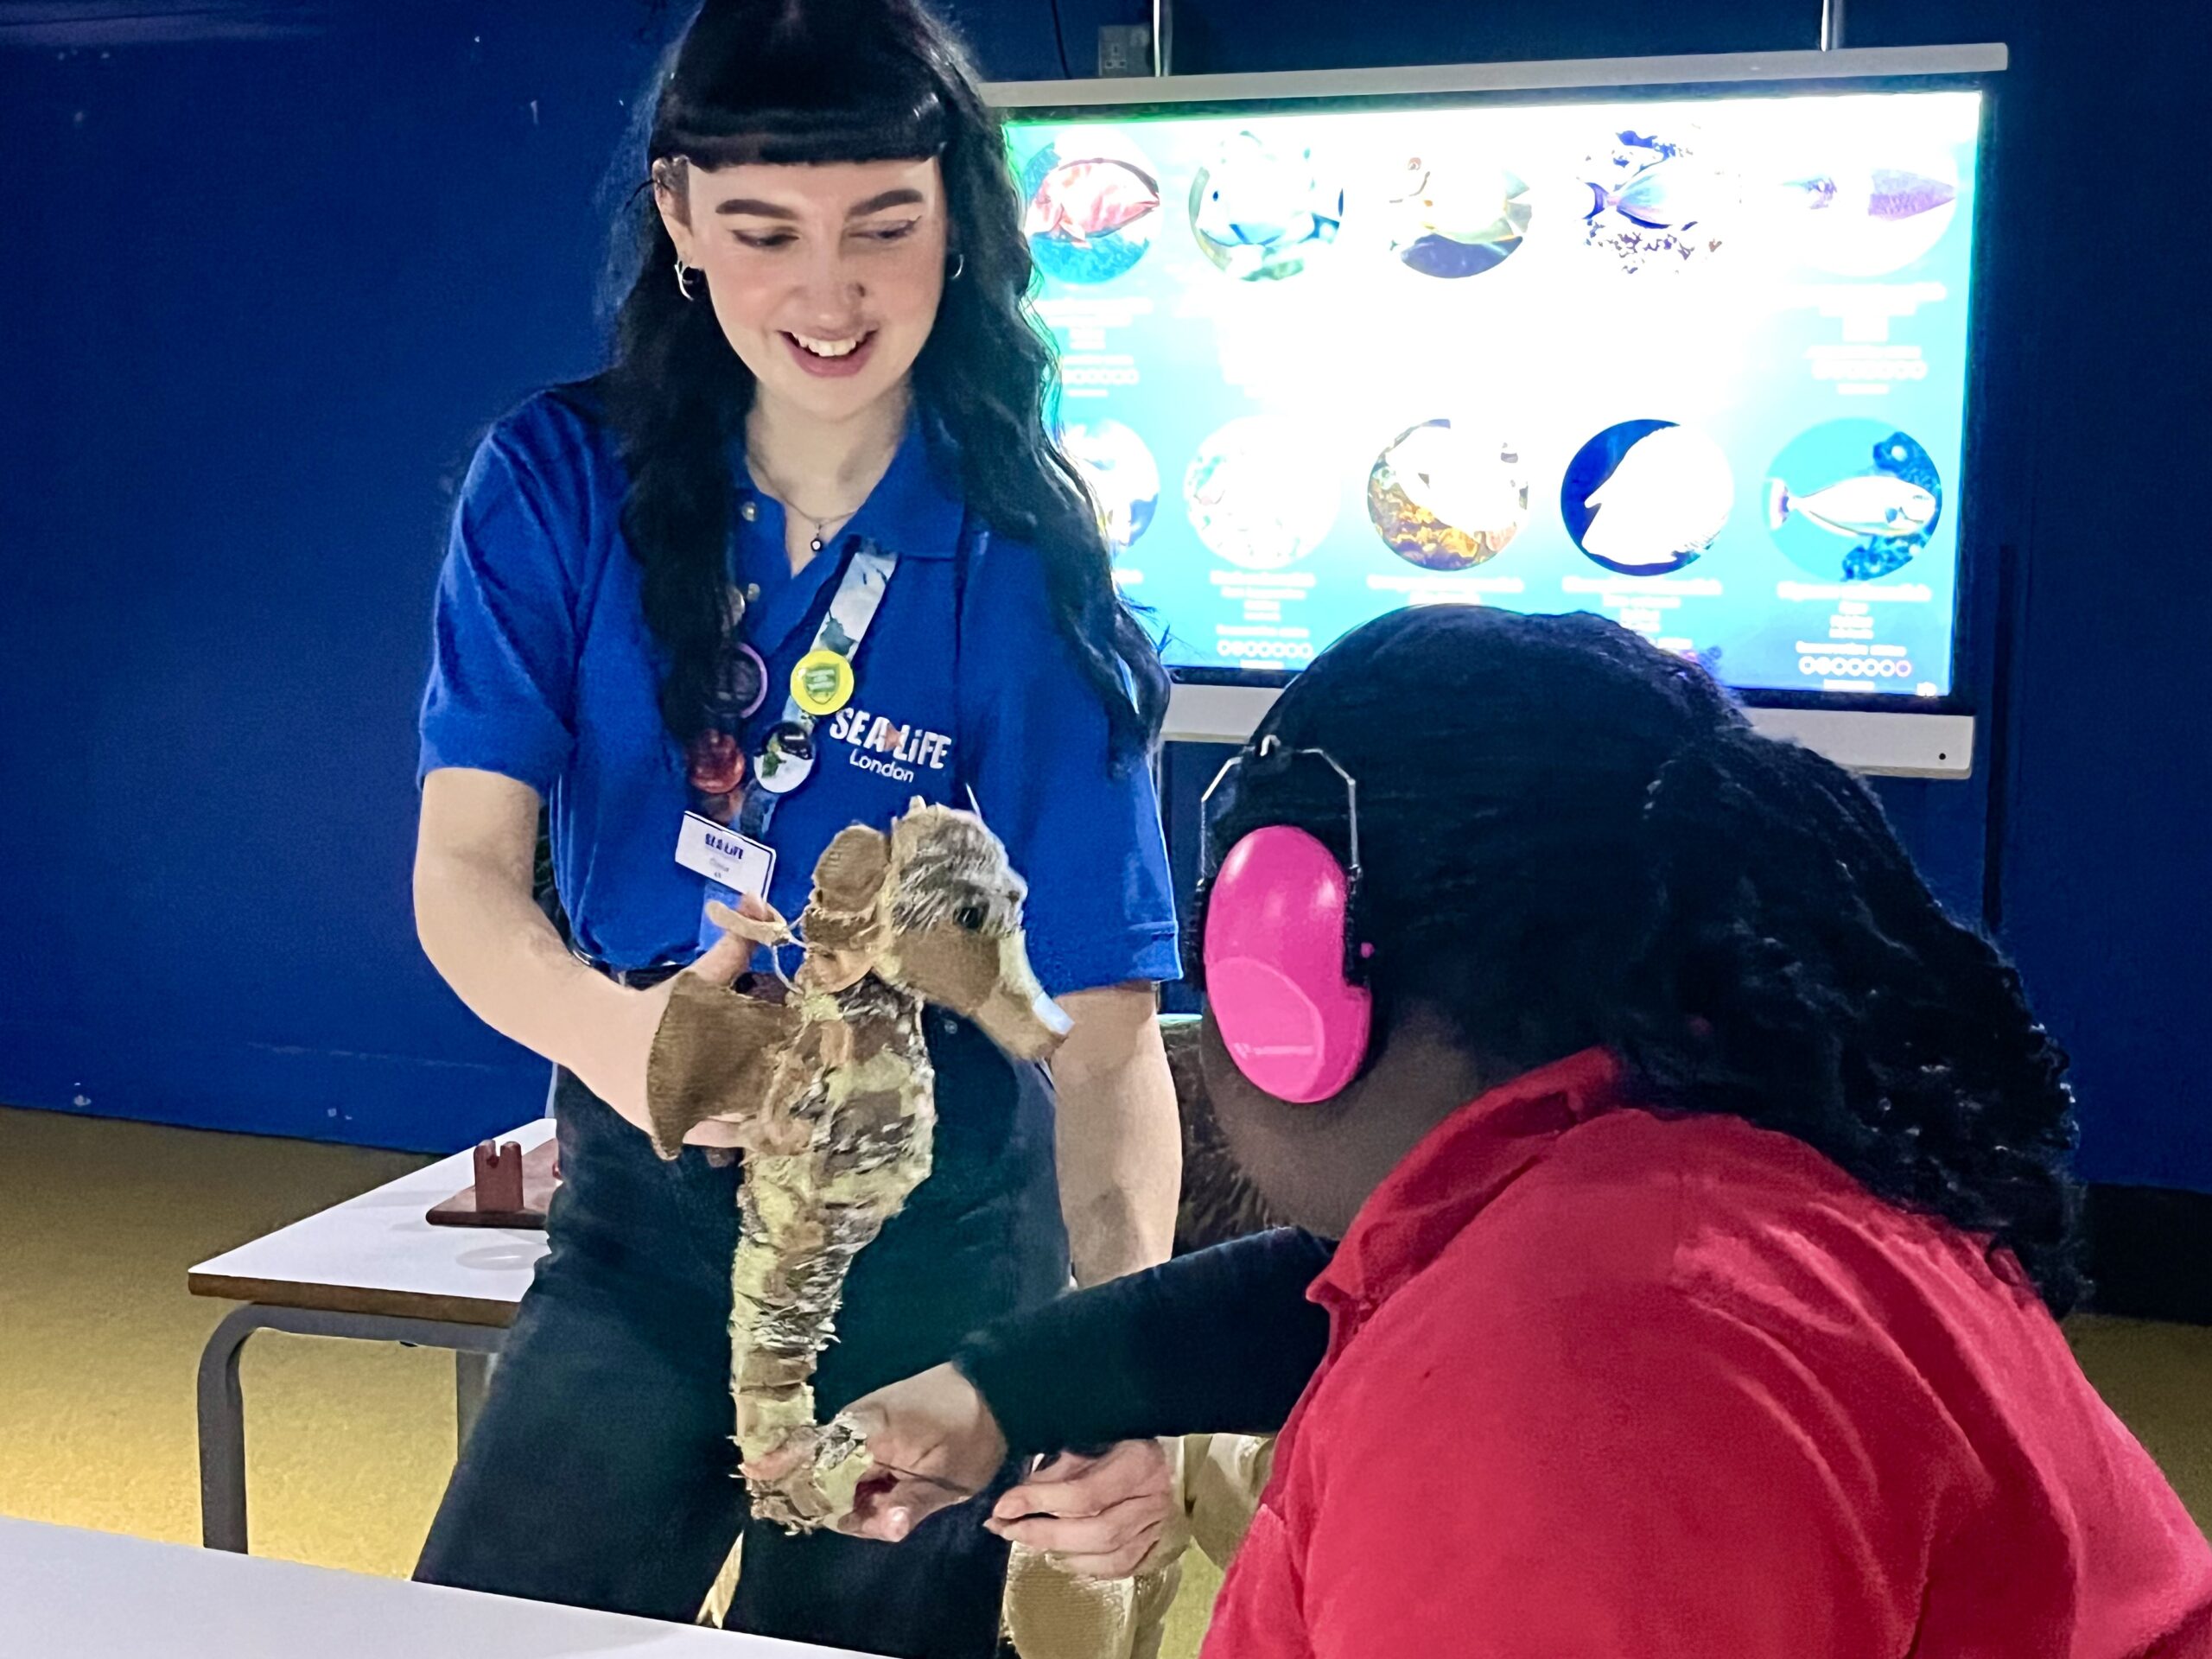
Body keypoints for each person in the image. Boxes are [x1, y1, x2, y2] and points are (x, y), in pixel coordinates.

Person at [805, 606, 2212, 1656]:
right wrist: (1003, 1388)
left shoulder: (1581, 1385)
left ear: (1279, 963)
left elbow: (1531, 1364)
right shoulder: (1691, 1183)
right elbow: (1344, 1292)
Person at [407, 1, 1182, 1652]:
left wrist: (1127, 1373)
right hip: (644, 1193)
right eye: (765, 232)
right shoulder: (558, 482)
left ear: (958, 221)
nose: (827, 295)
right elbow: (465, 878)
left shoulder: (1019, 551)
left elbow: (1106, 1034)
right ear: (682, 218)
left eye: (883, 229)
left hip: (936, 1220)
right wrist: (624, 1048)